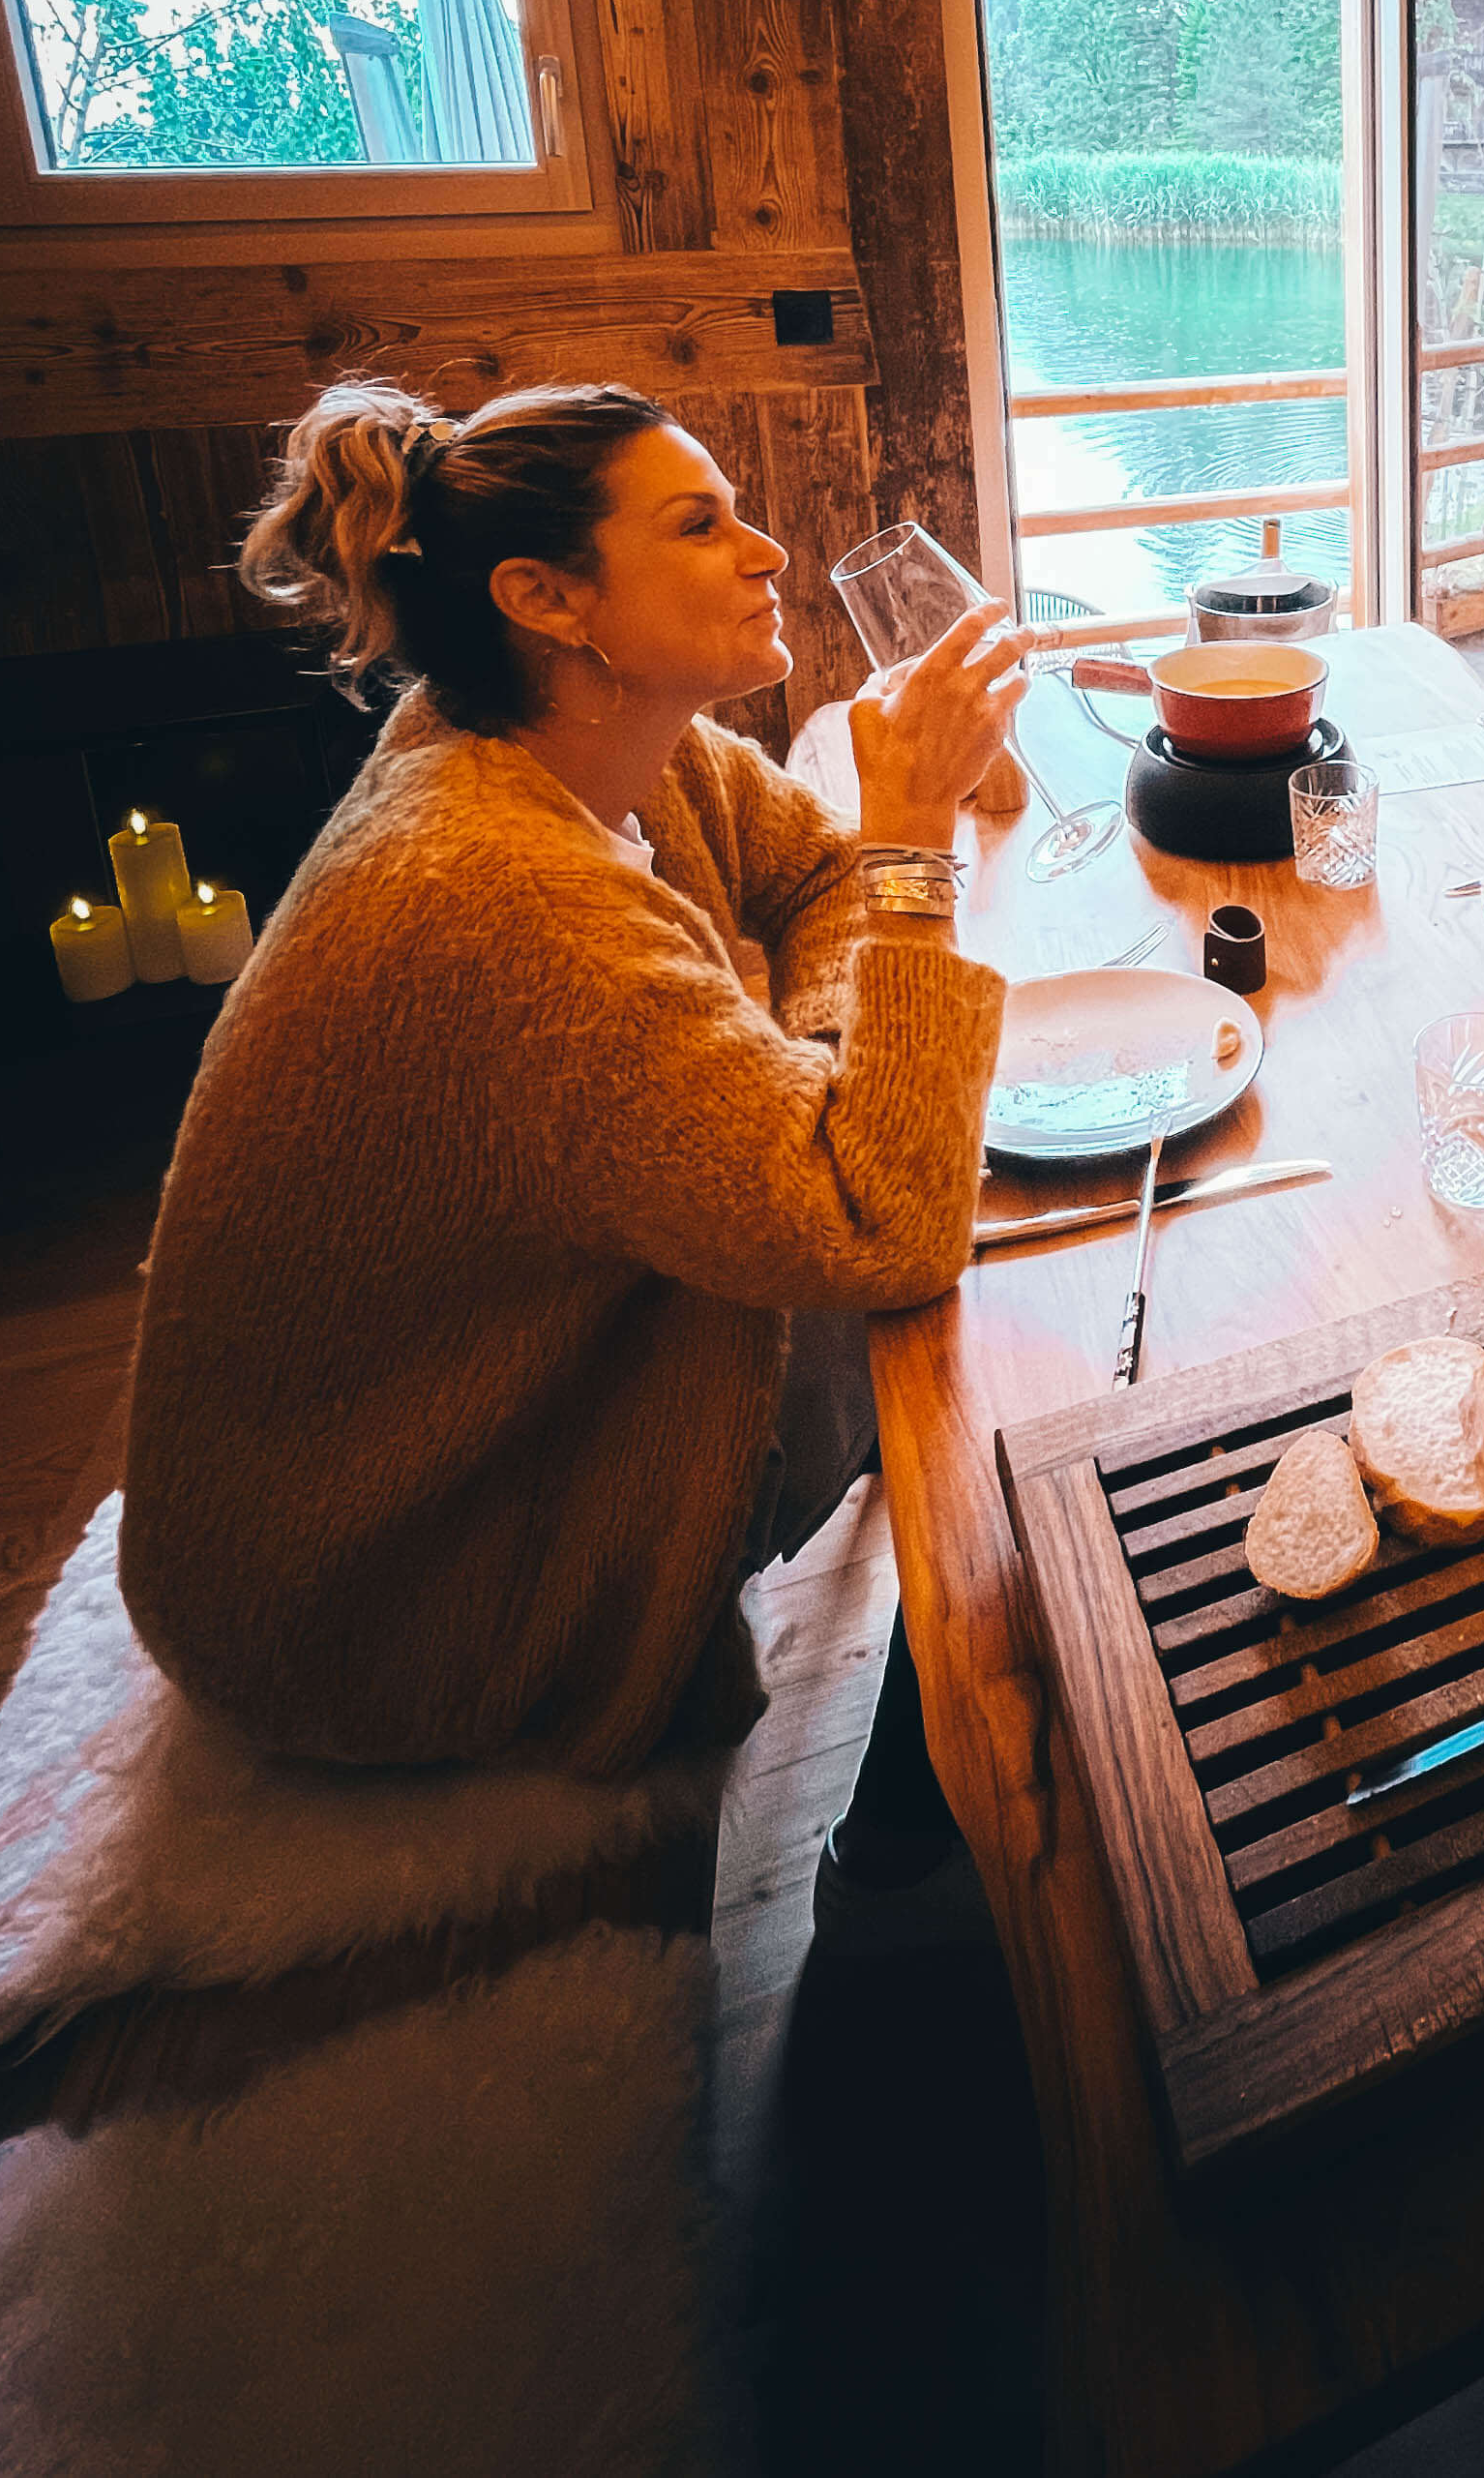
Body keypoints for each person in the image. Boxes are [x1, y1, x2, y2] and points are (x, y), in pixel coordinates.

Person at [117, 375, 1017, 1929]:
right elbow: (891, 1216)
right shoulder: (505, 899)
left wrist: (822, 1047)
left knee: (968, 1240)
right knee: (1002, 1356)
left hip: (398, 1461)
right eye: (700, 524)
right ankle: (924, 1846)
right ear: (547, 599)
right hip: (373, 1586)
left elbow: (807, 872)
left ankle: (923, 1775)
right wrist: (919, 844)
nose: (769, 551)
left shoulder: (585, 740)